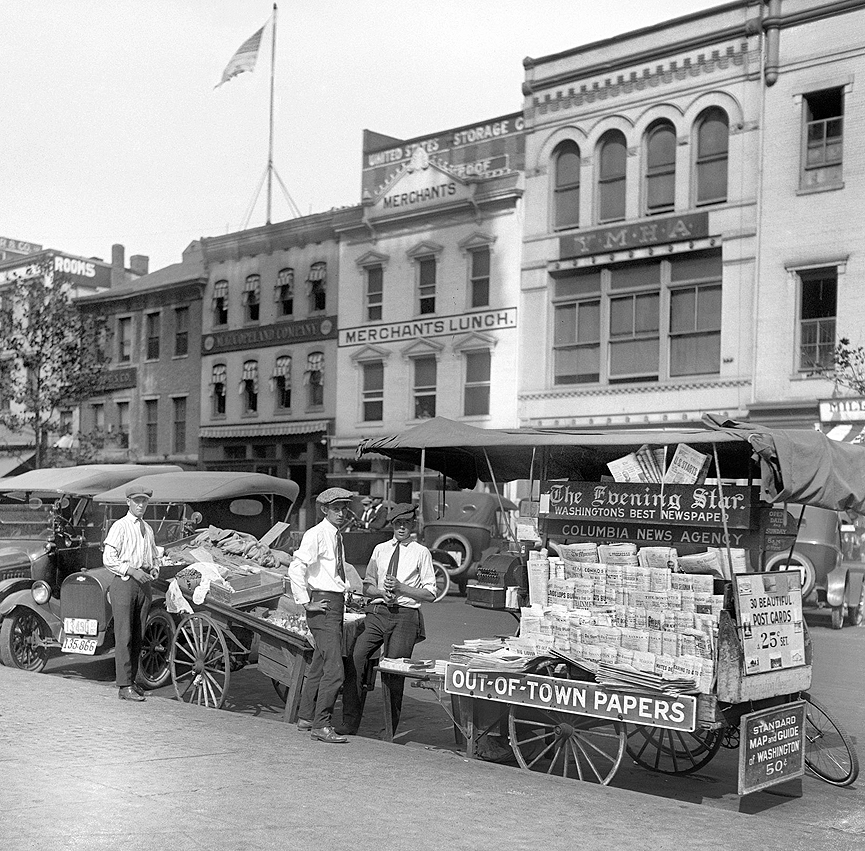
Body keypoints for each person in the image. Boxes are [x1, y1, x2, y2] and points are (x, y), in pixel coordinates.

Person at [341, 503, 436, 736]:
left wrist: (403, 588)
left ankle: (390, 728)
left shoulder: (421, 552)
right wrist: (380, 592)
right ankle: (350, 722)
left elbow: (430, 593)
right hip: (378, 613)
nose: (402, 527)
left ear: (413, 525)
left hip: (405, 617)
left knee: (394, 671)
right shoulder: (380, 550)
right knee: (356, 657)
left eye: (406, 523)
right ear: (392, 525)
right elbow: (367, 586)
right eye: (397, 523)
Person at [287, 486, 355, 744]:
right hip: (323, 606)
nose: (341, 513)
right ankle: (321, 725)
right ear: (325, 509)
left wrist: (347, 590)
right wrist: (306, 602)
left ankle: (306, 717)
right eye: (336, 508)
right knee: (335, 670)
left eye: (344, 508)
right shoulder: (316, 534)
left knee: (319, 664)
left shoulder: (336, 535)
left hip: (335, 604)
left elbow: (332, 572)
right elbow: (296, 568)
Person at [102, 484, 162, 702]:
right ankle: (123, 686)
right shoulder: (120, 526)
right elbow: (108, 559)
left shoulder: (148, 529)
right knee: (124, 635)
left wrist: (155, 567)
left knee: (139, 635)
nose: (140, 505)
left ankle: (132, 680)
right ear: (128, 502)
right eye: (136, 501)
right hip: (125, 583)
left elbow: (155, 556)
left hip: (143, 584)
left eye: (144, 501)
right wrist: (132, 571)